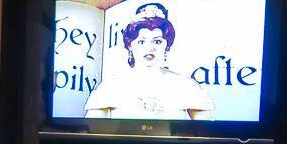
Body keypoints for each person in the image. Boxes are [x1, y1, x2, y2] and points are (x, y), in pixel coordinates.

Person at [84, 16, 215, 120]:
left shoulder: (186, 85)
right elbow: (91, 132)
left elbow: (206, 133)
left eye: (157, 41)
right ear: (130, 46)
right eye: (141, 42)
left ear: (167, 46)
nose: (149, 48)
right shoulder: (111, 85)